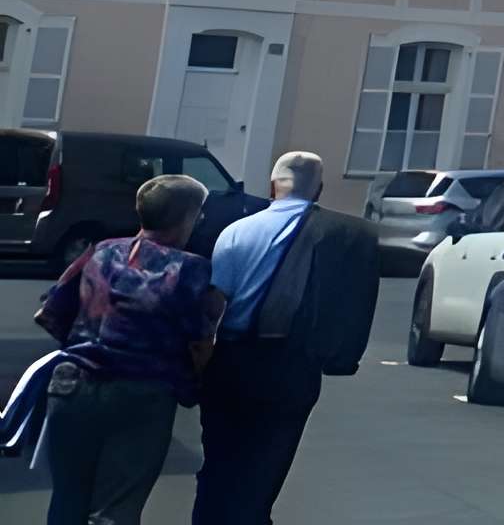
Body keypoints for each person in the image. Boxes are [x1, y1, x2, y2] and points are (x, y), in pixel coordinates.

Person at [30, 172, 225, 525]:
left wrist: (85, 346)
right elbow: (200, 343)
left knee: (67, 500)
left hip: (71, 385)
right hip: (141, 394)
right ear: (188, 217)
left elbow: (50, 313)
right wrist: (194, 385)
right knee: (114, 510)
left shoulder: (101, 250)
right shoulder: (190, 269)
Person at [192, 153, 376, 525]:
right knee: (264, 474)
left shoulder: (237, 232)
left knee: (218, 466)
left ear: (272, 186)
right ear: (318, 190)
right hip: (292, 367)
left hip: (232, 360)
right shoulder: (344, 235)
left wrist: (198, 366)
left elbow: (213, 306)